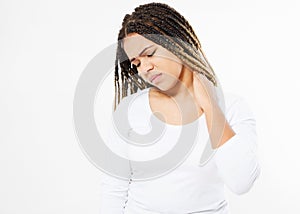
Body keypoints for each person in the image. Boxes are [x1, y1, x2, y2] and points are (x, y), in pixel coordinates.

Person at [99, 2, 260, 213]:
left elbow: (241, 182)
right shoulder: (131, 110)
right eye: (137, 63)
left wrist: (210, 106)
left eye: (149, 53)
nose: (145, 68)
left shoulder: (232, 107)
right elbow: (114, 188)